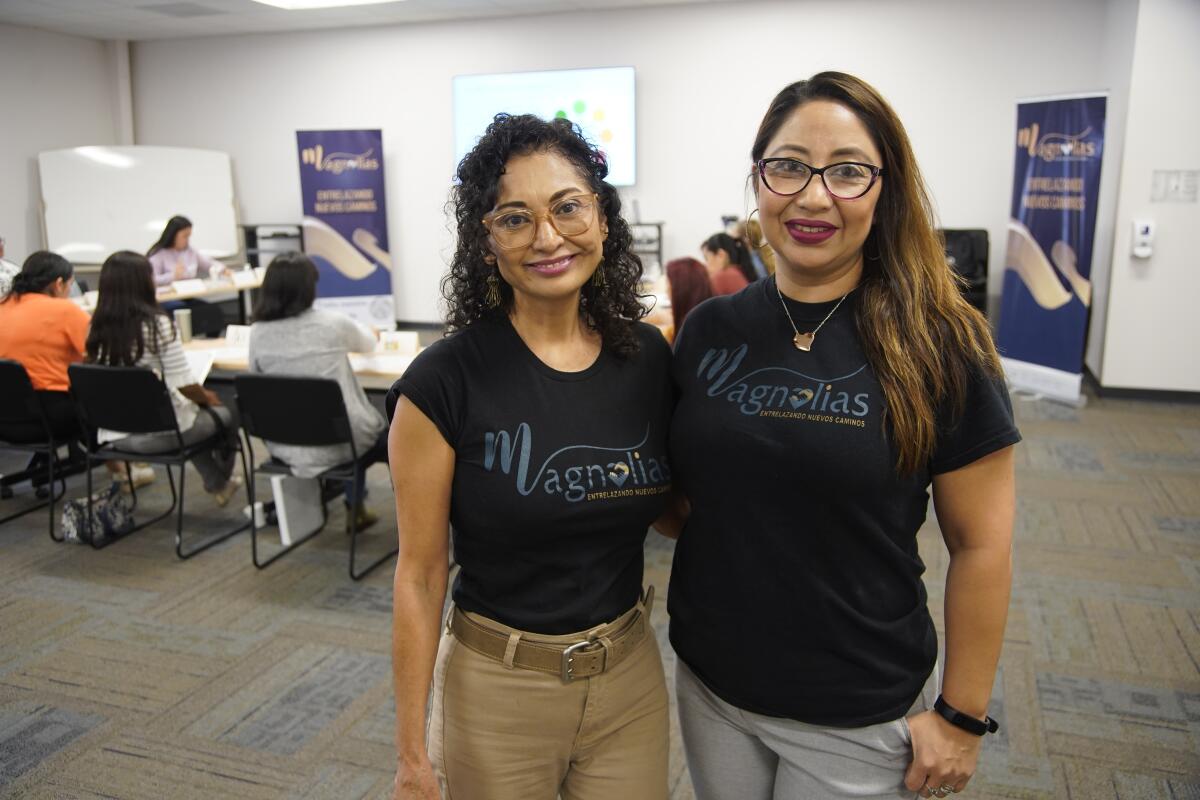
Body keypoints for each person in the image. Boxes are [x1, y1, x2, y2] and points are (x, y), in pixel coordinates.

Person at [667, 72, 1020, 800]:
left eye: (848, 171)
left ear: (885, 187)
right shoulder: (709, 331)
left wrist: (960, 714)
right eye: (789, 165)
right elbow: (686, 496)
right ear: (758, 178)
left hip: (856, 708)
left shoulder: (941, 343)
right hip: (712, 682)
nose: (813, 195)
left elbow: (983, 545)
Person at [386, 113, 673, 800]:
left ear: (602, 219)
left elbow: (676, 509)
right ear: (486, 243)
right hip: (498, 690)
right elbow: (419, 576)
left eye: (568, 207)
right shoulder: (442, 383)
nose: (548, 237)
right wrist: (410, 754)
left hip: (629, 677)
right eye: (514, 219)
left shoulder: (648, 359)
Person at [84, 251, 242, 505]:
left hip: (114, 435)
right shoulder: (157, 325)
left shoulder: (95, 327)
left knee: (189, 413)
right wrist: (208, 397)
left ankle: (218, 484)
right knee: (227, 410)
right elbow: (184, 385)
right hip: (158, 433)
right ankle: (219, 481)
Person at [247, 252, 387, 531]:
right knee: (383, 434)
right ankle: (356, 506)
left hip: (285, 443)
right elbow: (369, 343)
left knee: (336, 422)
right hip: (340, 442)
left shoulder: (258, 332)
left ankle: (344, 499)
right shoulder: (331, 324)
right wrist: (373, 331)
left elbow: (256, 378)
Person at [0, 251, 90, 444]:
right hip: (53, 416)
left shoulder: (3, 307)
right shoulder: (64, 310)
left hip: (5, 418)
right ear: (58, 284)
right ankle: (122, 466)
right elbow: (99, 356)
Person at [147, 215, 225, 336]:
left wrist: (223, 269)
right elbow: (150, 280)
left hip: (187, 296)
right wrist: (172, 276)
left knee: (213, 312)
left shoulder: (189, 251)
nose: (187, 240)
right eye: (184, 236)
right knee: (189, 314)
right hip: (167, 299)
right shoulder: (158, 254)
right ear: (173, 235)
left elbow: (208, 263)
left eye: (189, 236)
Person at [664, 256, 713, 343]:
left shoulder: (687, 335)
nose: (666, 292)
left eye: (669, 286)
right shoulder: (708, 321)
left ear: (681, 289)